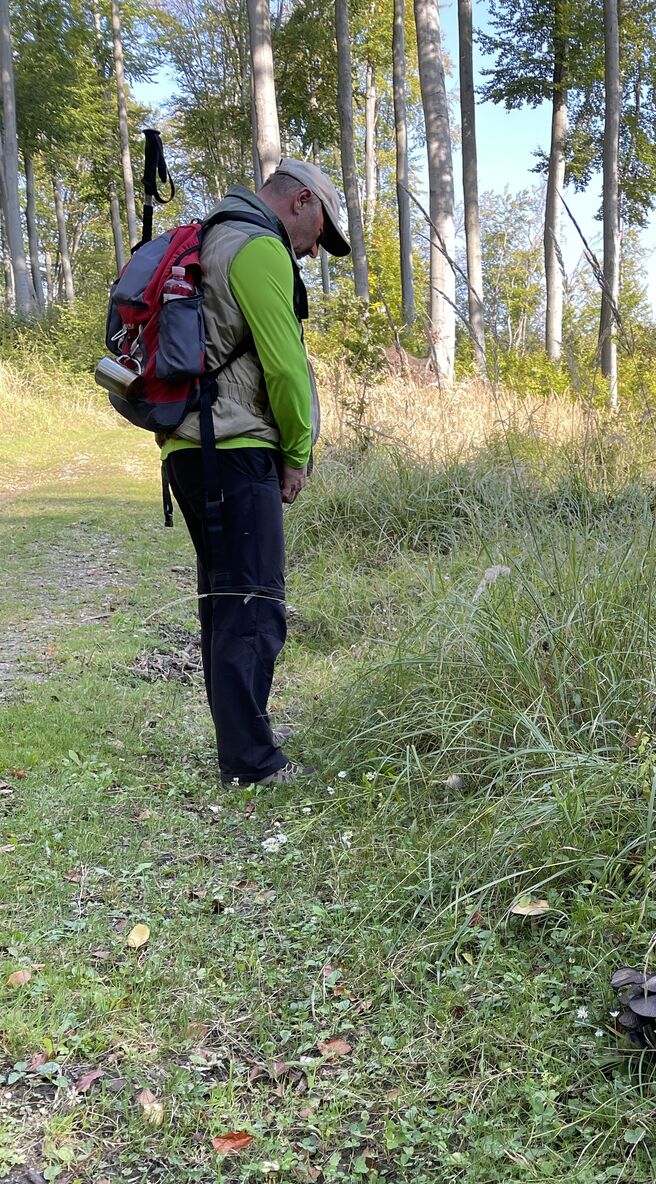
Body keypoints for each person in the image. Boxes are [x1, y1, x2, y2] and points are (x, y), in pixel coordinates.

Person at [162, 160, 351, 786]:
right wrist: (296, 452)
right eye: (320, 234)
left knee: (225, 601)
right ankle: (251, 761)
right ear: (301, 201)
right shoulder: (259, 246)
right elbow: (286, 368)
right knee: (254, 604)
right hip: (236, 448)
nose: (313, 250)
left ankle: (243, 741)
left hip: (189, 447)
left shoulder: (214, 234)